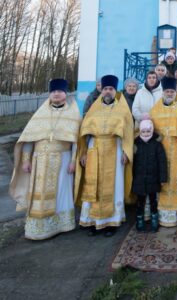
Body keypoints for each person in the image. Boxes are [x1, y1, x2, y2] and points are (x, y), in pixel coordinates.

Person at [9, 79, 81, 240]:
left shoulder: (73, 113)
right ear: (50, 93)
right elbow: (29, 139)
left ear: (65, 93)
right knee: (37, 193)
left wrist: (73, 161)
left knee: (62, 191)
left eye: (60, 91)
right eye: (53, 91)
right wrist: (26, 160)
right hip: (39, 160)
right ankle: (38, 229)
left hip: (63, 158)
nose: (56, 94)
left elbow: (76, 141)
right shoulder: (40, 113)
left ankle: (62, 224)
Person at [75, 75, 134, 237]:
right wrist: (84, 152)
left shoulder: (123, 109)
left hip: (114, 149)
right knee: (93, 184)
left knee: (114, 186)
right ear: (101, 90)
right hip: (95, 149)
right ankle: (93, 222)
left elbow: (128, 132)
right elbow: (84, 133)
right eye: (106, 89)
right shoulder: (93, 109)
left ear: (115, 91)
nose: (108, 92)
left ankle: (111, 223)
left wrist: (126, 152)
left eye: (111, 89)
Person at [150, 77, 177, 227]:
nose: (169, 93)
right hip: (160, 151)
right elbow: (150, 129)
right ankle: (164, 215)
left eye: (172, 91)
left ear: (176, 93)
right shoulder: (155, 109)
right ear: (163, 92)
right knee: (162, 180)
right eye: (167, 91)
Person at [132, 116, 168, 232]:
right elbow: (132, 164)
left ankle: (154, 220)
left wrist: (163, 178)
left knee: (153, 201)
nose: (146, 133)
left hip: (153, 179)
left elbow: (162, 162)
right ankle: (140, 220)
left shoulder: (157, 145)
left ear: (152, 131)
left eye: (148, 131)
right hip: (139, 179)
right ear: (140, 131)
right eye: (143, 131)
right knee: (140, 202)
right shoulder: (136, 144)